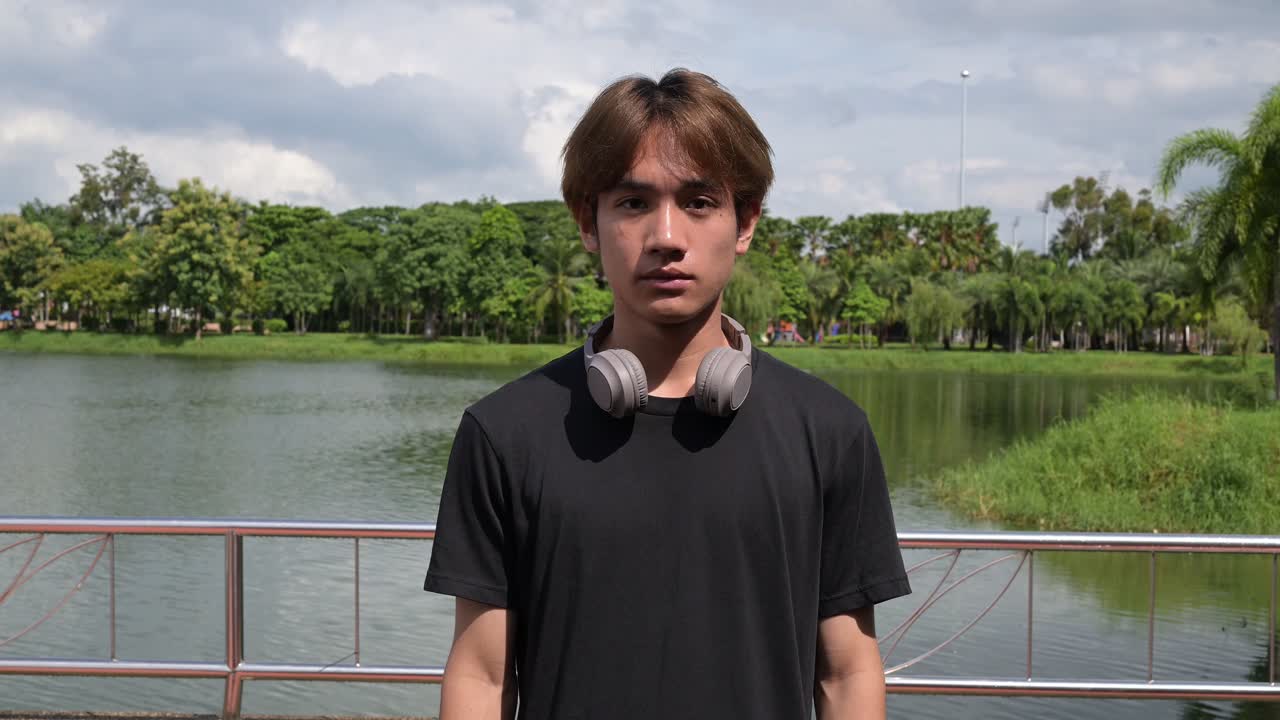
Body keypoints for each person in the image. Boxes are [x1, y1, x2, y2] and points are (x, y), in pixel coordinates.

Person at [424, 68, 910, 720]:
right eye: (632, 203)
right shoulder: (504, 434)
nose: (667, 237)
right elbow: (482, 678)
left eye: (699, 202)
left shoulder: (829, 433)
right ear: (588, 223)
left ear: (746, 222)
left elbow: (847, 675)